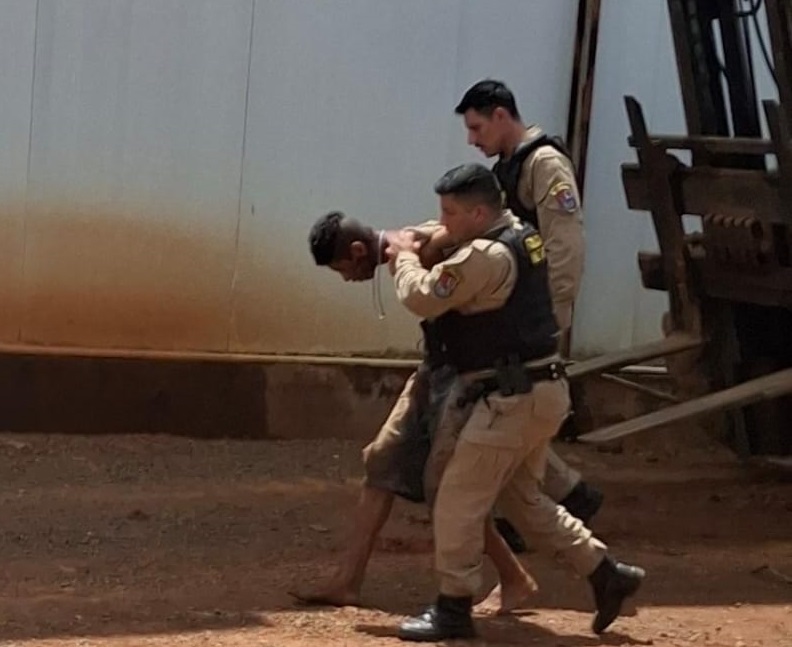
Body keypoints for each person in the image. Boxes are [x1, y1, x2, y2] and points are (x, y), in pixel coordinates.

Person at [386, 163, 644, 641]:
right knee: (523, 501)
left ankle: (453, 607)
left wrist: (403, 257)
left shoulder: (484, 256)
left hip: (512, 400)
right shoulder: (518, 235)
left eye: (450, 213)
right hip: (537, 393)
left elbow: (423, 296)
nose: (442, 222)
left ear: (478, 214)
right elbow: (445, 236)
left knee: (457, 500)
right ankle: (606, 573)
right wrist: (416, 235)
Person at [290, 211, 539, 612]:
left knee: (448, 488)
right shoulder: (406, 243)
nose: (347, 279)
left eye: (343, 269)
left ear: (357, 251)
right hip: (432, 371)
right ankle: (347, 581)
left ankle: (512, 578)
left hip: (462, 378)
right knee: (381, 462)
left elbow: (451, 246)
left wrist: (427, 245)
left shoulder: (420, 246)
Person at [455, 79, 600, 555]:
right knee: (515, 406)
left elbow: (565, 246)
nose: (472, 139)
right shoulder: (511, 166)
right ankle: (568, 494)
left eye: (477, 127)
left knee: (519, 406)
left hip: (536, 312)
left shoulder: (545, 164)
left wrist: (549, 313)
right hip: (519, 310)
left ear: (501, 115)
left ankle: (536, 508)